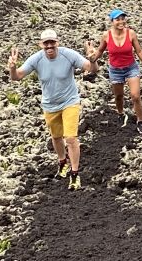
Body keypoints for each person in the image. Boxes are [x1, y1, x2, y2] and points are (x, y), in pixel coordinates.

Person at [7, 29, 98, 191]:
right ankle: (62, 162)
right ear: (41, 45)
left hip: (70, 102)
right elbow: (17, 77)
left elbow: (91, 69)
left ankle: (75, 174)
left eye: (52, 42)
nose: (49, 46)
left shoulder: (68, 55)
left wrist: (93, 59)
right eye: (45, 43)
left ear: (57, 42)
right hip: (50, 105)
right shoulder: (36, 59)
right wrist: (12, 68)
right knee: (56, 138)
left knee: (70, 138)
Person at [89, 9, 142, 134]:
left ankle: (140, 121)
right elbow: (101, 51)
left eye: (123, 18)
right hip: (115, 70)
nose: (121, 21)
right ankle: (120, 113)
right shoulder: (106, 35)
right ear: (112, 21)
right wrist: (92, 58)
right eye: (117, 19)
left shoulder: (131, 33)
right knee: (119, 96)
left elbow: (139, 51)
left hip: (131, 68)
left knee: (135, 95)